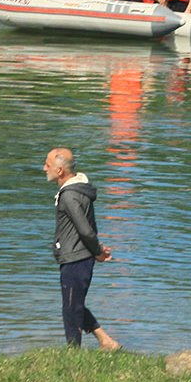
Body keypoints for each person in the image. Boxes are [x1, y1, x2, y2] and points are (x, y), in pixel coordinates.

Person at [44, 147, 120, 350]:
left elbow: (85, 230)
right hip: (79, 257)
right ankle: (106, 341)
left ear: (60, 171)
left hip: (76, 259)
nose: (44, 168)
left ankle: (73, 353)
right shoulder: (80, 190)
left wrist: (97, 252)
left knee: (71, 308)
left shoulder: (69, 196)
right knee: (74, 304)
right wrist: (96, 250)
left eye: (48, 164)